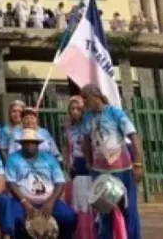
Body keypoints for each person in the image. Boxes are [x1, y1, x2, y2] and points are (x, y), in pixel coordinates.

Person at [80, 84, 143, 239]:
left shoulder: (115, 113)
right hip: (100, 172)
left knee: (129, 210)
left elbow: (133, 137)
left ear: (96, 95)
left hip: (122, 171)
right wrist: (88, 162)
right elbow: (86, 140)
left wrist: (138, 164)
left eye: (85, 98)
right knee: (104, 212)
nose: (84, 102)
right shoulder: (87, 117)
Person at [5, 128, 77, 239]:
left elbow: (60, 182)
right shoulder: (13, 159)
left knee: (69, 217)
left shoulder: (49, 159)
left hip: (48, 200)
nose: (29, 146)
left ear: (37, 144)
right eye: (25, 143)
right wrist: (24, 202)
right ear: (21, 144)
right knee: (15, 219)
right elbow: (11, 183)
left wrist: (51, 202)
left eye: (32, 143)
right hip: (22, 201)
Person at [63, 96, 95, 239]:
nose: (75, 112)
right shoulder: (69, 128)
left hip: (90, 166)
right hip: (76, 168)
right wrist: (68, 164)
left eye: (78, 109)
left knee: (90, 202)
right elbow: (68, 148)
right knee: (78, 202)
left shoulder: (90, 125)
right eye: (72, 109)